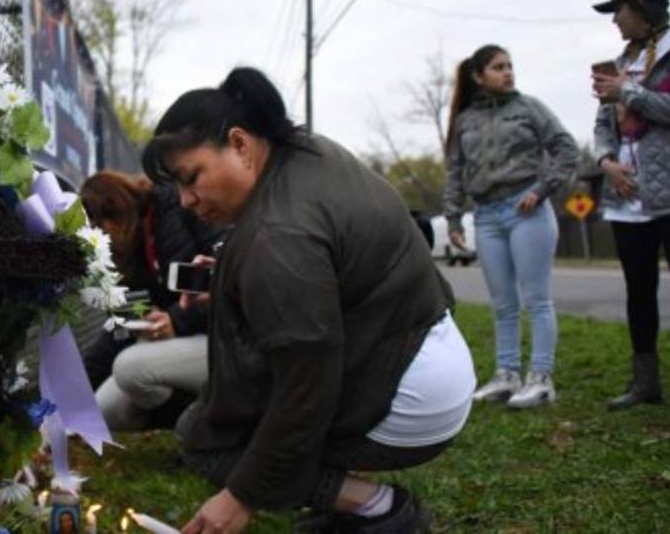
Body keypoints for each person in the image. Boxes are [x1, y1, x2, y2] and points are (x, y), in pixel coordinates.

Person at [143, 68, 475, 534]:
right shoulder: (304, 151)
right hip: (428, 351)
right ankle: (347, 503)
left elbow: (307, 387)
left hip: (407, 394)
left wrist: (241, 495)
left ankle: (381, 509)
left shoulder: (278, 235)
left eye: (191, 177)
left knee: (206, 439)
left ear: (240, 144)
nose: (186, 201)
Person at [590, 0, 670, 413]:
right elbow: (603, 126)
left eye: (618, 11)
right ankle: (645, 382)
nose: (615, 21)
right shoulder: (619, 63)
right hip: (627, 193)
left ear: (641, 7)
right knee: (637, 289)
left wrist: (631, 92)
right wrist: (606, 162)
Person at [443, 45, 578, 409]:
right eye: (499, 67)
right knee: (503, 303)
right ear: (478, 76)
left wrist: (542, 188)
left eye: (510, 66)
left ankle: (541, 379)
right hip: (486, 216)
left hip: (526, 210)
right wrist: (454, 217)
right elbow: (455, 171)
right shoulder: (465, 120)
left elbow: (566, 149)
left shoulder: (528, 108)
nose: (508, 73)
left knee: (536, 299)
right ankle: (506, 376)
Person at [79, 171, 222, 431]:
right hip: (185, 341)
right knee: (105, 409)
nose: (98, 241)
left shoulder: (176, 210)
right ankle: (188, 417)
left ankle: (205, 424)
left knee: (130, 368)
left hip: (223, 338)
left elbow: (230, 288)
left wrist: (175, 321)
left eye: (97, 229)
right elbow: (121, 326)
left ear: (114, 212)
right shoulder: (129, 253)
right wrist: (71, 397)